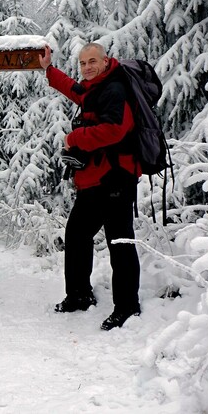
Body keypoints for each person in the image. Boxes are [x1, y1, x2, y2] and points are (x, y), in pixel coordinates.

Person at [39, 42, 142, 330]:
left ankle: (127, 307)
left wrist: (75, 138)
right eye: (83, 63)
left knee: (119, 242)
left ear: (106, 61)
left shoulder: (115, 89)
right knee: (76, 235)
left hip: (116, 177)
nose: (87, 67)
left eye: (92, 61)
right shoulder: (96, 88)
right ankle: (79, 296)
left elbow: (113, 130)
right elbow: (75, 90)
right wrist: (49, 69)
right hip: (95, 180)